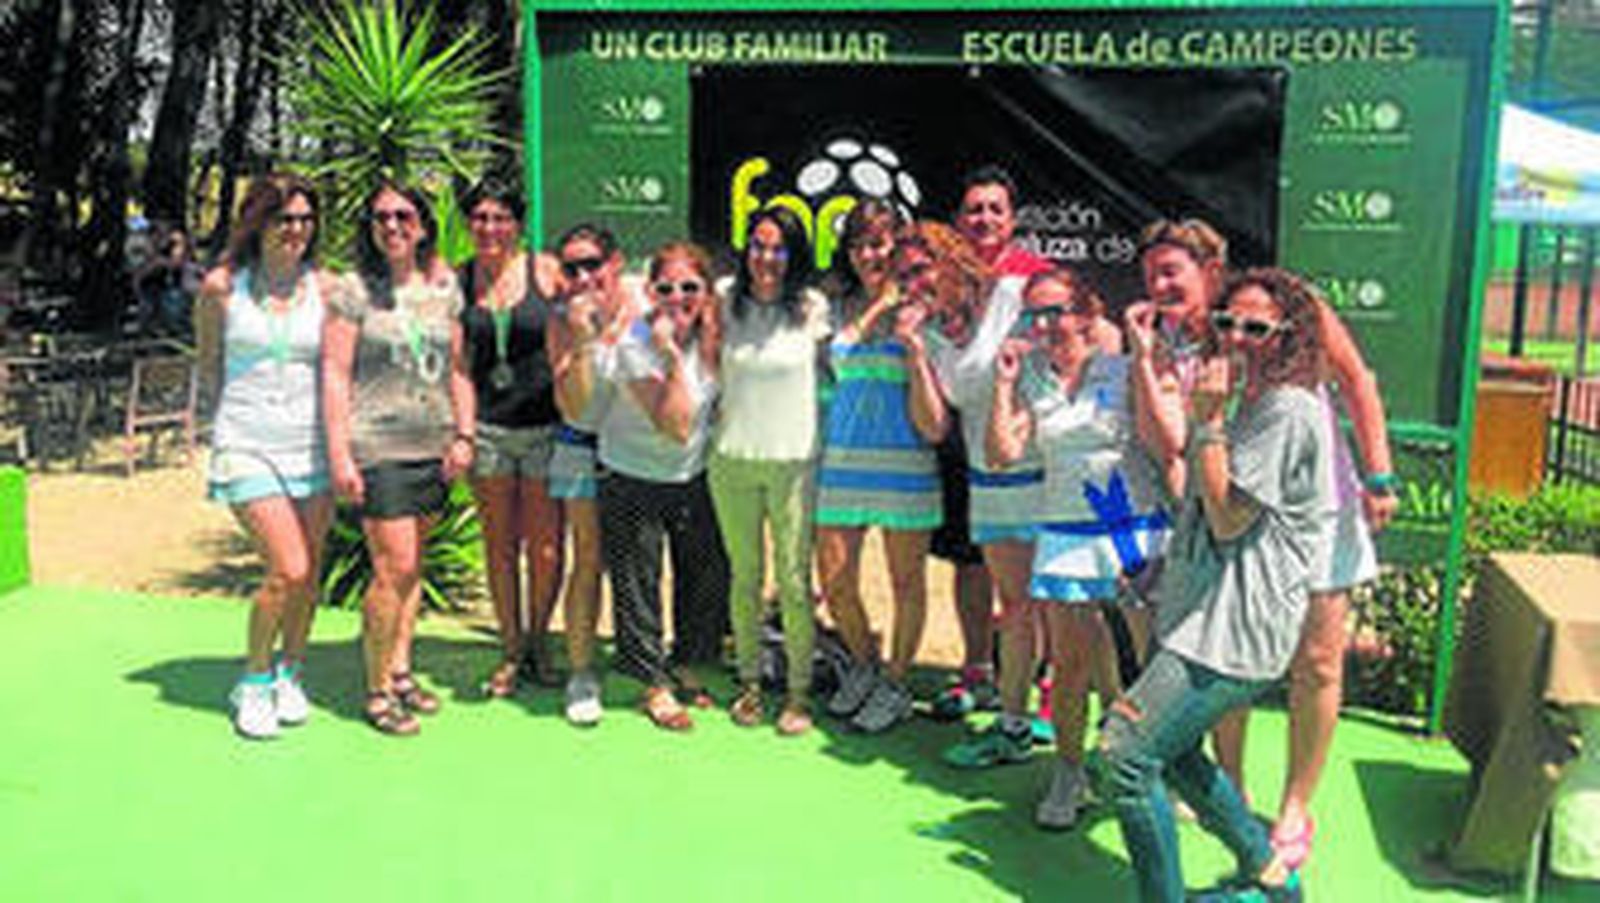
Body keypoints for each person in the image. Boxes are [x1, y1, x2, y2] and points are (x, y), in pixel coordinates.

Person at [1129, 219, 1396, 858]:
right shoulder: (1173, 343)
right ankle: (1231, 791)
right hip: (1236, 519)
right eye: (1150, 276)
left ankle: (1296, 809)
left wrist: (1379, 472)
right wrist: (1149, 364)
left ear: (1210, 271)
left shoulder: (1292, 306)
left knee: (1319, 660)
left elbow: (1358, 380)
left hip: (1318, 510)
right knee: (1230, 657)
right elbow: (1170, 441)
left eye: (1172, 272)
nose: (1160, 287)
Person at [1095, 266, 1332, 903]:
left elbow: (1229, 518)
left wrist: (1206, 419)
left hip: (1235, 631)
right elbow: (1193, 488)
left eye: (1258, 327)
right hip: (1198, 614)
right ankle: (1270, 872)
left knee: (1124, 755)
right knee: (1171, 754)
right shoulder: (1247, 401)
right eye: (1228, 322)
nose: (1238, 337)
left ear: (1290, 336)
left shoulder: (1287, 409)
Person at [987, 267, 1169, 829]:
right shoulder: (1030, 378)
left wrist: (1141, 356)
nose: (1045, 326)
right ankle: (1070, 774)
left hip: (1132, 530)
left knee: (1154, 666)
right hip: (1065, 536)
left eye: (1056, 311)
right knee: (1069, 665)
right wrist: (1001, 383)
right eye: (1033, 315)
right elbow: (1001, 454)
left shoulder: (1125, 368)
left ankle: (1165, 771)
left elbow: (1166, 438)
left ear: (1087, 312)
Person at [323, 181, 473, 736]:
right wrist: (340, 454)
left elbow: (457, 368)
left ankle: (402, 669)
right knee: (394, 568)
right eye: (380, 216)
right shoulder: (352, 291)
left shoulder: (443, 289)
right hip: (377, 448)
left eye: (403, 215)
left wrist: (464, 436)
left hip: (433, 447)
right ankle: (376, 689)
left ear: (424, 224)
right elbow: (335, 374)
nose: (391, 225)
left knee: (415, 569)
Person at [562, 241, 728, 732]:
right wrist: (673, 356)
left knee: (703, 581)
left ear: (706, 291)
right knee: (638, 586)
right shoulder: (636, 344)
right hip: (630, 476)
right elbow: (675, 423)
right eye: (666, 287)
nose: (678, 297)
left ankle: (684, 665)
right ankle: (652, 683)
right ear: (651, 291)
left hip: (692, 478)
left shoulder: (715, 334)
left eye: (690, 287)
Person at [196, 173, 334, 740]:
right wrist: (217, 430)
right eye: (283, 219)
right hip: (246, 444)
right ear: (258, 223)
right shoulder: (222, 287)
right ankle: (253, 680)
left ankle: (289, 673)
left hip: (314, 446)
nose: (296, 230)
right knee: (287, 568)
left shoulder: (328, 286)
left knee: (309, 576)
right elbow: (209, 366)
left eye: (305, 219)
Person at [904, 220, 1042, 768]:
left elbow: (1077, 339)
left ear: (950, 260)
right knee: (1017, 608)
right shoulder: (933, 335)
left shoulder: (1012, 297)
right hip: (989, 481)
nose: (915, 282)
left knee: (1059, 608)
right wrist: (915, 352)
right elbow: (936, 427)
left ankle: (1065, 721)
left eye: (922, 268)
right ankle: (1013, 727)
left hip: (1043, 474)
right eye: (905, 275)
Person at [814, 200, 947, 734]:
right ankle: (864, 665)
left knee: (906, 584)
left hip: (906, 468)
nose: (872, 254)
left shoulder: (922, 312)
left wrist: (903, 317)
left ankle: (895, 682)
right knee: (836, 579)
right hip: (842, 467)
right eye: (861, 244)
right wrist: (876, 308)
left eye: (881, 243)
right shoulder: (837, 307)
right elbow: (835, 360)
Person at [710, 207, 829, 736]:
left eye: (778, 248)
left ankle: (799, 693)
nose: (767, 258)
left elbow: (838, 367)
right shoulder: (723, 298)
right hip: (730, 460)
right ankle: (750, 685)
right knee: (744, 578)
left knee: (796, 582)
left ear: (794, 254)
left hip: (795, 464)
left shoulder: (811, 306)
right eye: (758, 246)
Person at [456, 178, 565, 700]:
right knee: (499, 547)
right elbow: (457, 364)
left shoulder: (545, 271)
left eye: (500, 217)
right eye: (480, 217)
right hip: (490, 433)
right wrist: (462, 430)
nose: (490, 228)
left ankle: (540, 639)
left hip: (546, 431)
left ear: (518, 224)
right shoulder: (458, 280)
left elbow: (599, 303)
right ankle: (510, 648)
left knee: (545, 549)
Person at [546, 223, 640, 726]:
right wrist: (584, 339)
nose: (582, 276)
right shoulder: (562, 321)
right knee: (588, 560)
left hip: (642, 454)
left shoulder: (648, 303)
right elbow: (574, 405)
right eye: (571, 267)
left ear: (615, 263)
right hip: (582, 448)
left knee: (642, 562)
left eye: (591, 265)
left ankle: (648, 667)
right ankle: (581, 672)